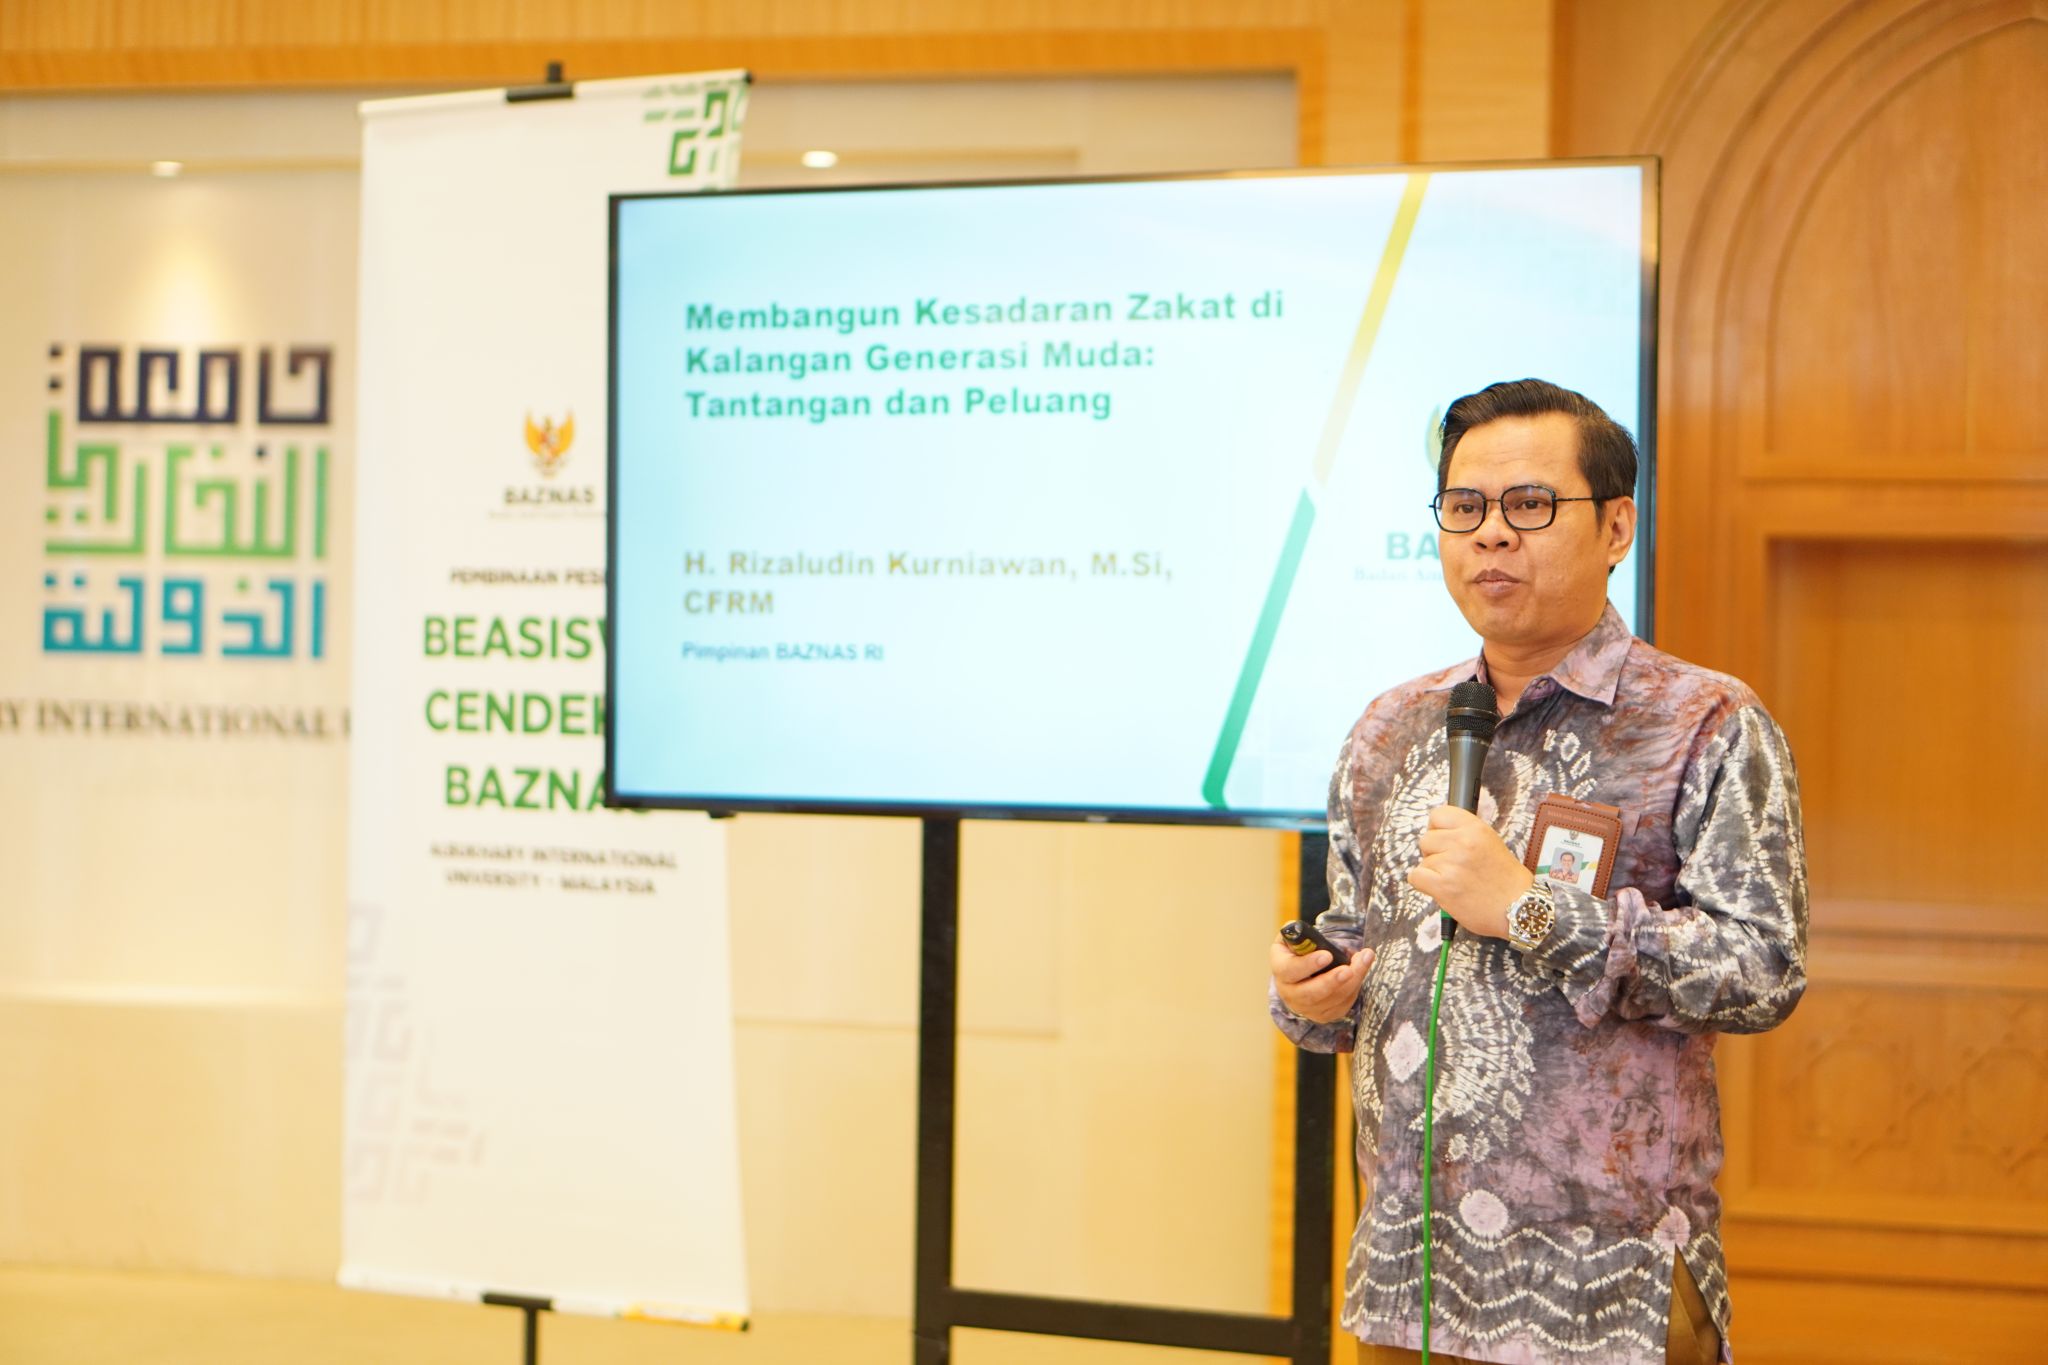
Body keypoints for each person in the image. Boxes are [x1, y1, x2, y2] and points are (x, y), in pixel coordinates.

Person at [1269, 379, 1807, 1365]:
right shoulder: (1390, 727)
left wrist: (1530, 909)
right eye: (1464, 507)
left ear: (1616, 526)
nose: (1490, 534)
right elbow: (1356, 943)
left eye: (1528, 505)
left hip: (1604, 1290)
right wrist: (1314, 986)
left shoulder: (1704, 722)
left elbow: (1762, 967)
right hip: (1409, 1281)